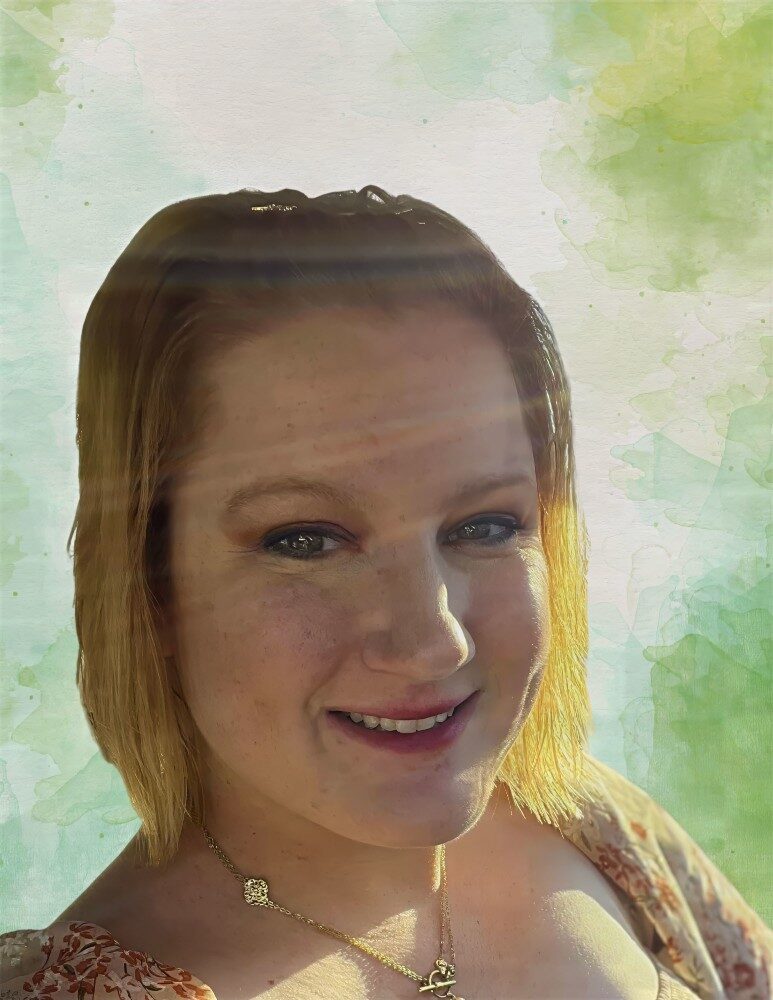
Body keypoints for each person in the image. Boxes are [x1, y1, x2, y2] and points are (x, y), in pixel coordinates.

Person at [1, 187, 770, 1000]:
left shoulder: (594, 825)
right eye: (305, 541)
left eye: (483, 525)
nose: (434, 641)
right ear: (148, 586)